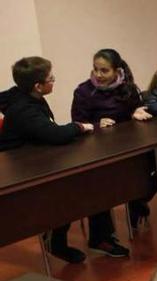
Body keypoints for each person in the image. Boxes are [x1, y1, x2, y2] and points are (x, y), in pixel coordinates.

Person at [0, 56, 95, 263]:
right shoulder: (24, 109)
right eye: (50, 78)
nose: (53, 80)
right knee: (67, 189)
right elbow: (56, 135)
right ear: (38, 86)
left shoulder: (21, 93)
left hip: (34, 160)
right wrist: (80, 126)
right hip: (18, 171)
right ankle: (55, 242)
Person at [72, 48, 155, 240]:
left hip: (129, 146)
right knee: (101, 182)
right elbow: (77, 122)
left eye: (104, 71)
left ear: (117, 71)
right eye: (95, 70)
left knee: (154, 164)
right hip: (98, 150)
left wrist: (135, 113)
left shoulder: (127, 88)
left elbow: (134, 110)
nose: (98, 75)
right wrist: (95, 124)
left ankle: (138, 201)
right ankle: (102, 237)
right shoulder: (83, 91)